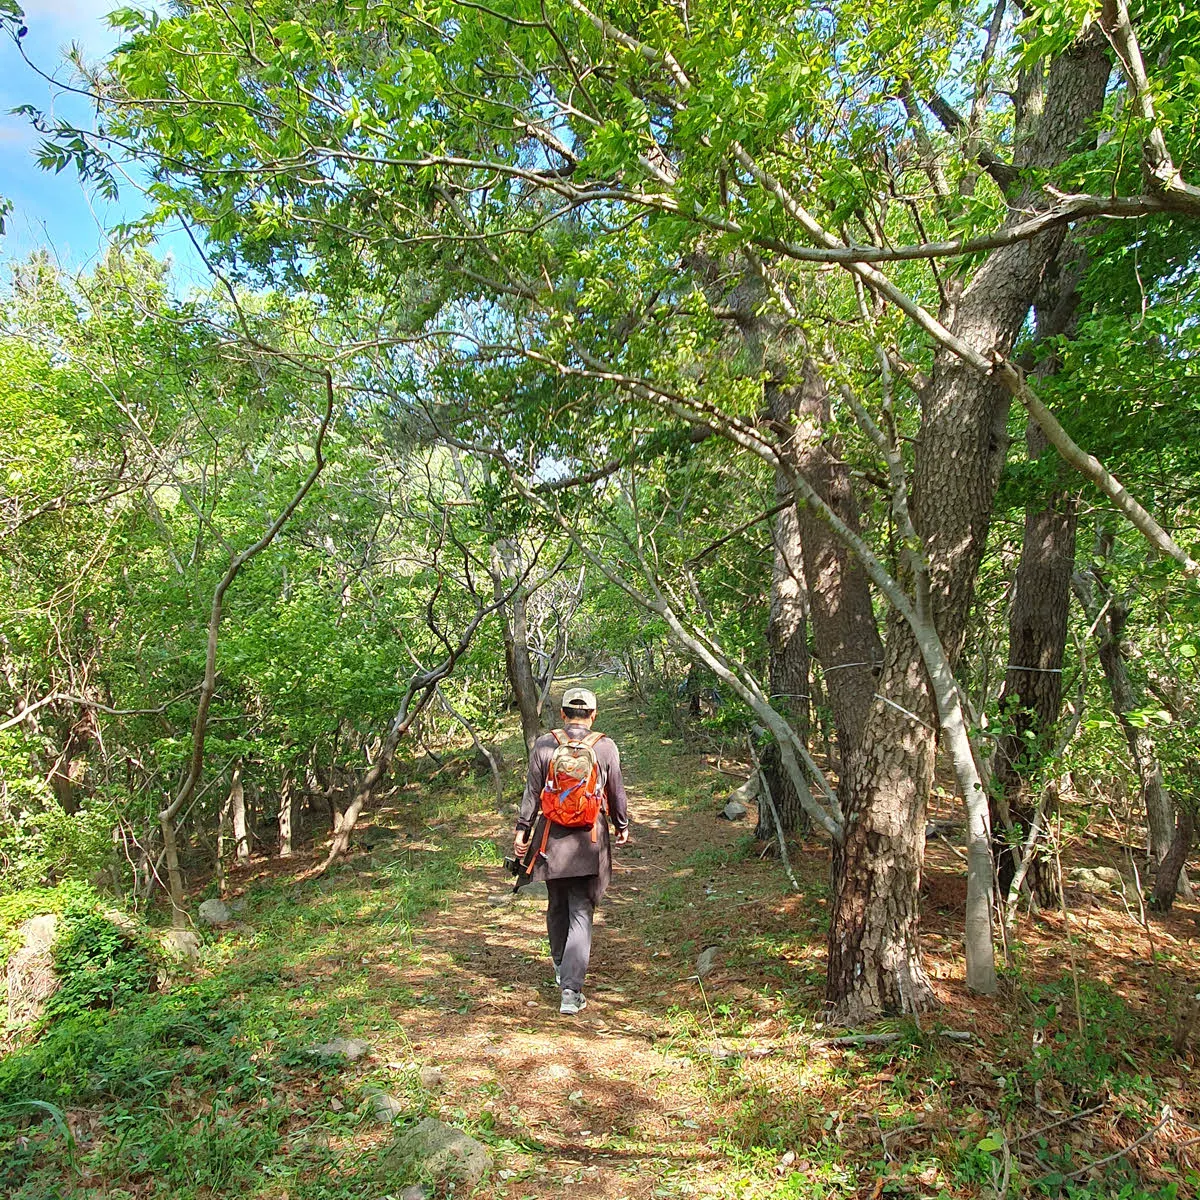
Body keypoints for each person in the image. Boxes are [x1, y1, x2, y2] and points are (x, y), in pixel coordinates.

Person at [513, 686, 630, 1015]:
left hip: (551, 841)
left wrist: (522, 830)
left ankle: (561, 967)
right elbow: (616, 790)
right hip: (589, 843)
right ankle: (571, 990)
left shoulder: (545, 744)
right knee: (581, 910)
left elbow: (533, 792)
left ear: (563, 714)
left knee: (557, 905)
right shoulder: (604, 746)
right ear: (593, 715)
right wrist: (622, 825)